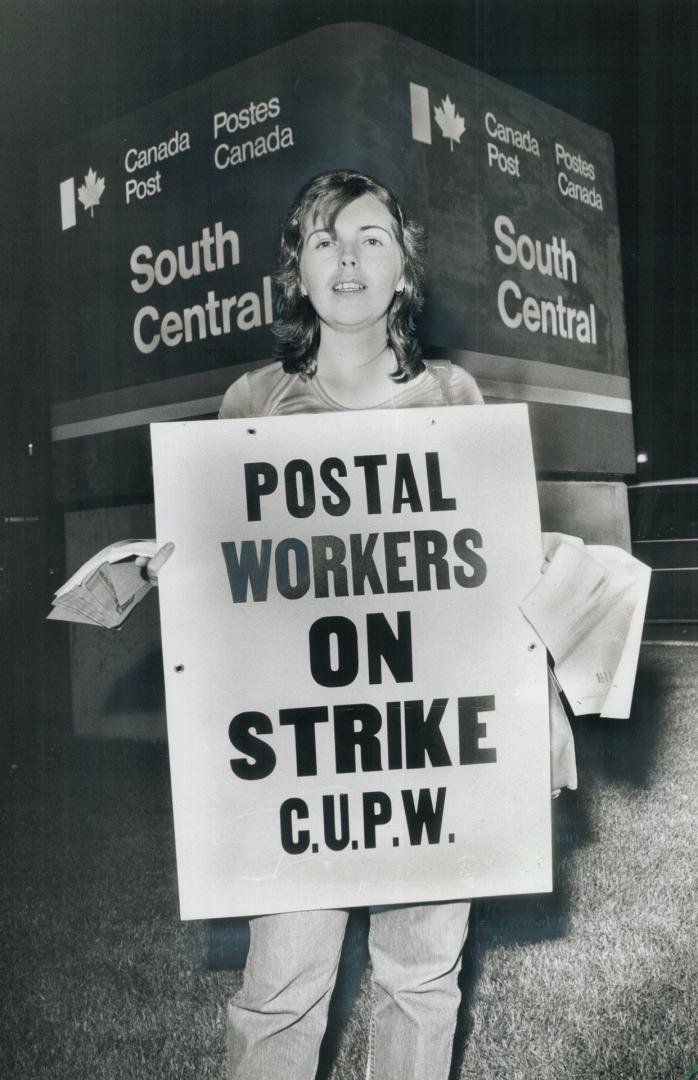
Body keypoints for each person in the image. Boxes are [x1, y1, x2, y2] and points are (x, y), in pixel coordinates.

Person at [144, 169, 485, 1080]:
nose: (348, 257)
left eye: (372, 237)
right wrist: (174, 573)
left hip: (421, 739)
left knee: (421, 974)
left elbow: (481, 580)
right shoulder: (252, 401)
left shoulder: (455, 397)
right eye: (326, 239)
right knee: (283, 984)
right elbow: (228, 589)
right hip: (299, 752)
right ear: (296, 270)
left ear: (405, 270)